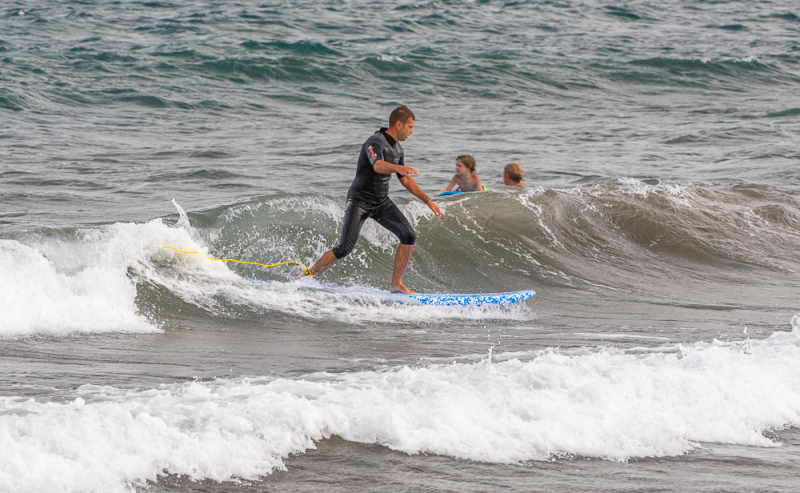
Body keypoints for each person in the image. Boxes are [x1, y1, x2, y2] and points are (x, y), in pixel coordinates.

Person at [298, 105, 442, 294]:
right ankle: (304, 279)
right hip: (359, 201)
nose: (412, 131)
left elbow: (405, 179)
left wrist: (428, 201)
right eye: (410, 127)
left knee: (409, 236)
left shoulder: (398, 149)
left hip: (381, 202)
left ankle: (396, 283)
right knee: (344, 248)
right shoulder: (375, 142)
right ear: (399, 124)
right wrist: (398, 168)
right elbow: (378, 165)